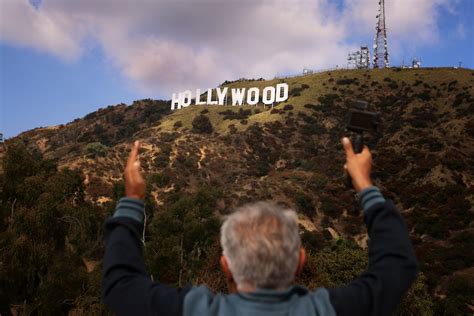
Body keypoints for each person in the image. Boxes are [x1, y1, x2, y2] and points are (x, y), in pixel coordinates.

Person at [102, 138, 418, 316]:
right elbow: (397, 267)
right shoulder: (324, 311)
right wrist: (363, 183)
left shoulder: (195, 310)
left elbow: (121, 283)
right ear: (300, 262)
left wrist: (132, 198)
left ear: (226, 266)